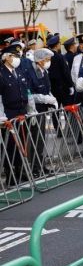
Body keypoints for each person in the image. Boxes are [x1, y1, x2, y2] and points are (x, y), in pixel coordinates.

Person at [0, 44, 34, 184]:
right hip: (9, 113)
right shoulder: (1, 73)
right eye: (14, 56)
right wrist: (1, 115)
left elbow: (26, 91)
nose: (17, 58)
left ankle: (20, 171)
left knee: (22, 142)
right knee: (10, 145)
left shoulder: (18, 71)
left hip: (21, 111)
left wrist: (31, 110)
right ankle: (10, 174)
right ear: (7, 57)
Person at [27, 48, 59, 177]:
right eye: (47, 59)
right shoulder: (31, 73)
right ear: (40, 60)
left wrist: (51, 98)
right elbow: (30, 94)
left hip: (43, 109)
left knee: (42, 139)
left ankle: (41, 165)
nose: (48, 62)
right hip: (35, 110)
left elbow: (47, 89)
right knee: (36, 140)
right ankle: (35, 168)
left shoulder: (44, 71)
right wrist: (45, 98)